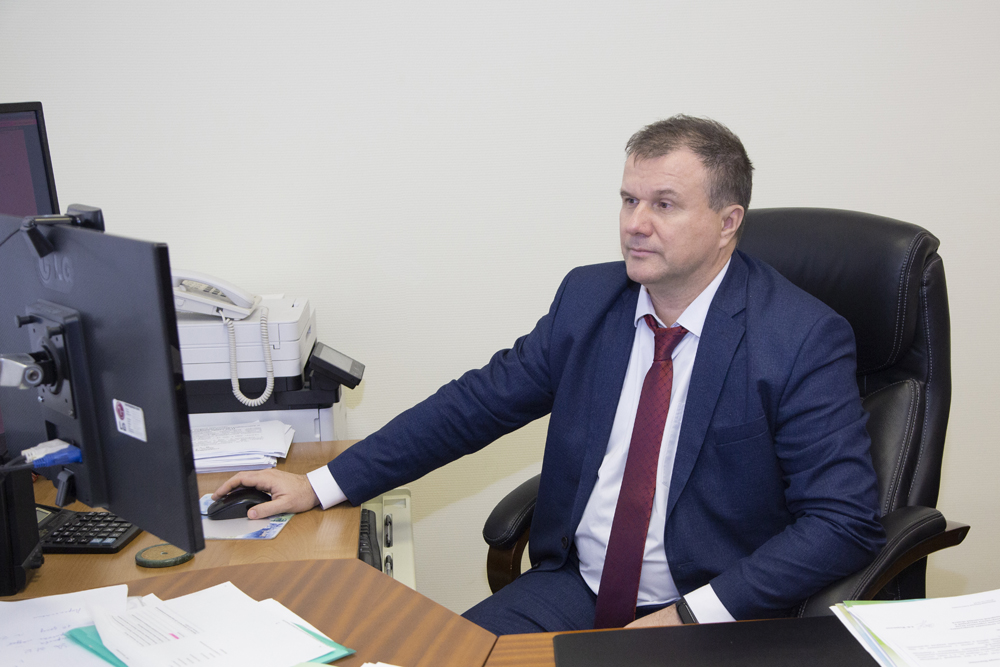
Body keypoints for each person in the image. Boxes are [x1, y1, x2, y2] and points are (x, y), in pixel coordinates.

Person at [214, 115, 885, 635]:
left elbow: (842, 521)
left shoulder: (800, 337)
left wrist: (690, 615)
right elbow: (473, 406)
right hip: (575, 589)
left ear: (727, 223)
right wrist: (319, 485)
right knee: (433, 654)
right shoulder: (589, 301)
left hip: (714, 610)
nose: (635, 225)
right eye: (628, 200)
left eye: (664, 205)